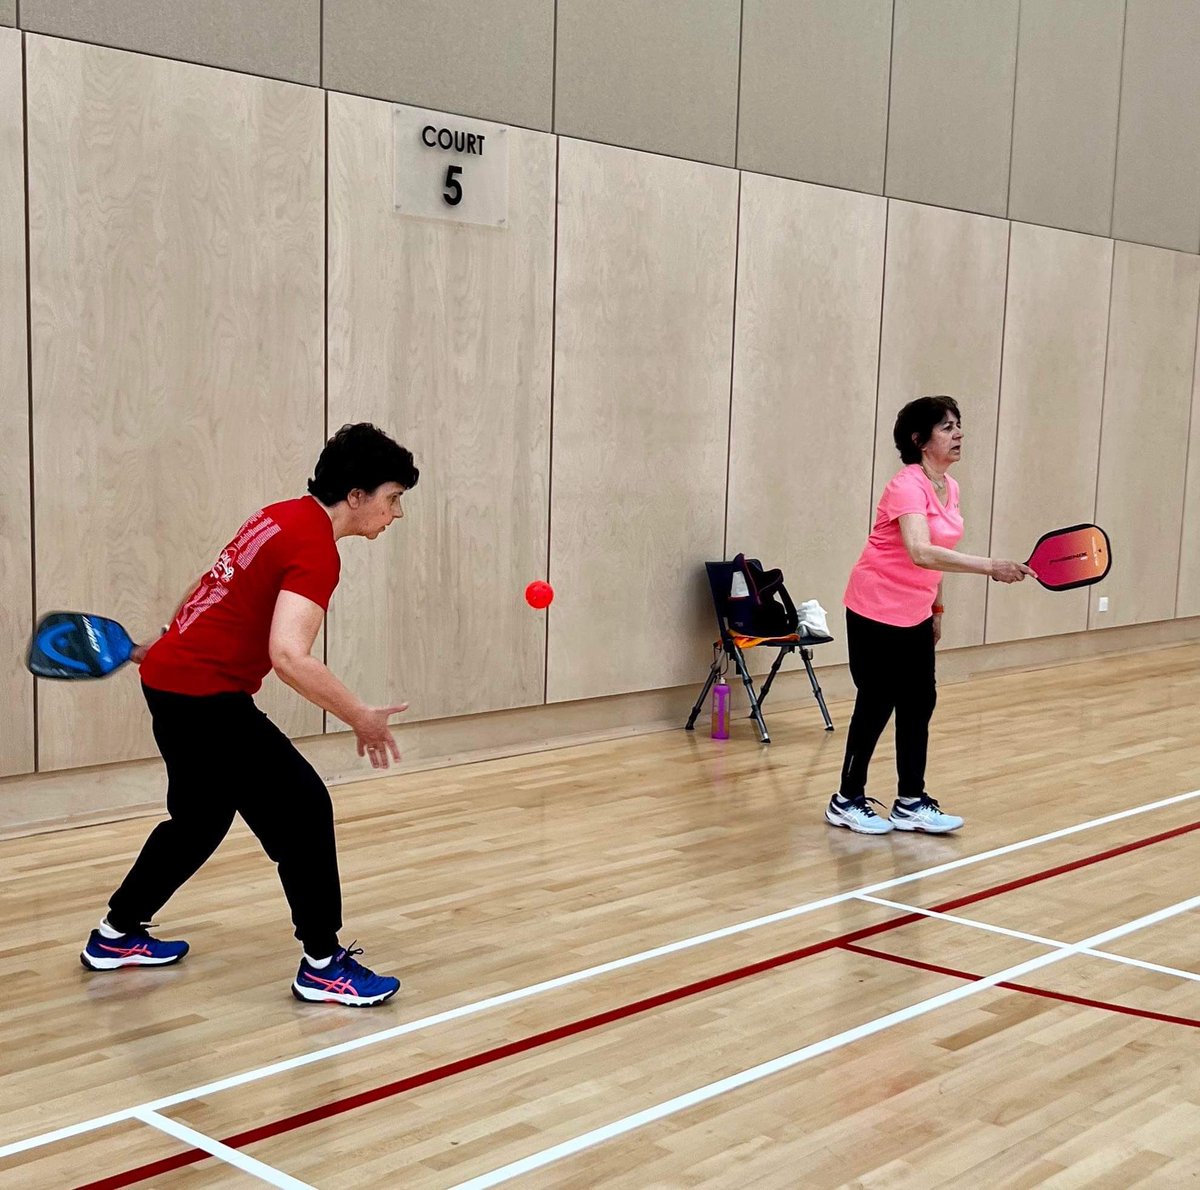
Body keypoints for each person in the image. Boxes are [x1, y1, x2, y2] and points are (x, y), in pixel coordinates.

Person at [79, 423, 419, 1006]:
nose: (396, 513)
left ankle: (116, 933)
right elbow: (288, 656)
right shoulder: (315, 549)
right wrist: (360, 715)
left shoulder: (279, 516)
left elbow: (211, 583)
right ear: (356, 495)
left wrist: (168, 638)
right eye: (392, 498)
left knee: (199, 820)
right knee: (303, 809)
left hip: (171, 681)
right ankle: (323, 964)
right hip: (204, 697)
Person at [825, 396, 1034, 836]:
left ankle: (910, 802)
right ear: (920, 440)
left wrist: (937, 608)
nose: (958, 434)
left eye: (958, 425)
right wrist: (991, 566)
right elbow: (920, 551)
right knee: (876, 703)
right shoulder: (907, 486)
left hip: (915, 612)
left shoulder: (949, 487)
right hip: (875, 607)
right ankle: (846, 799)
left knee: (920, 702)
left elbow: (939, 556)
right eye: (947, 427)